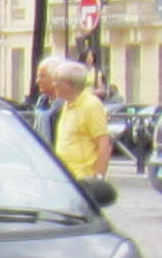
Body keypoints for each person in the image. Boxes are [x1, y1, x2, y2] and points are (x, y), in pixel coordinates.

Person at [43, 54, 114, 191]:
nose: (54, 85)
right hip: (66, 179)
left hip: (83, 181)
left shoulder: (91, 105)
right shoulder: (67, 104)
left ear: (69, 84)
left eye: (57, 81)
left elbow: (104, 145)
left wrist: (98, 180)